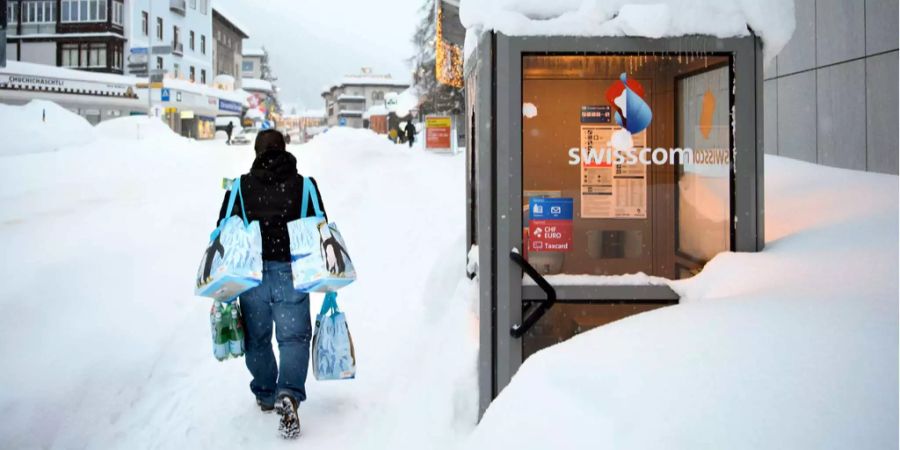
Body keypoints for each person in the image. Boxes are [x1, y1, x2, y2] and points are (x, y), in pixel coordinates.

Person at [216, 129, 326, 439]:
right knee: (293, 337)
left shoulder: (240, 186)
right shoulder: (304, 186)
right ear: (284, 149)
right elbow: (321, 224)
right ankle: (288, 393)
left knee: (258, 337)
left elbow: (223, 226)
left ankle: (265, 393)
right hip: (291, 271)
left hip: (251, 275)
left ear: (257, 152)